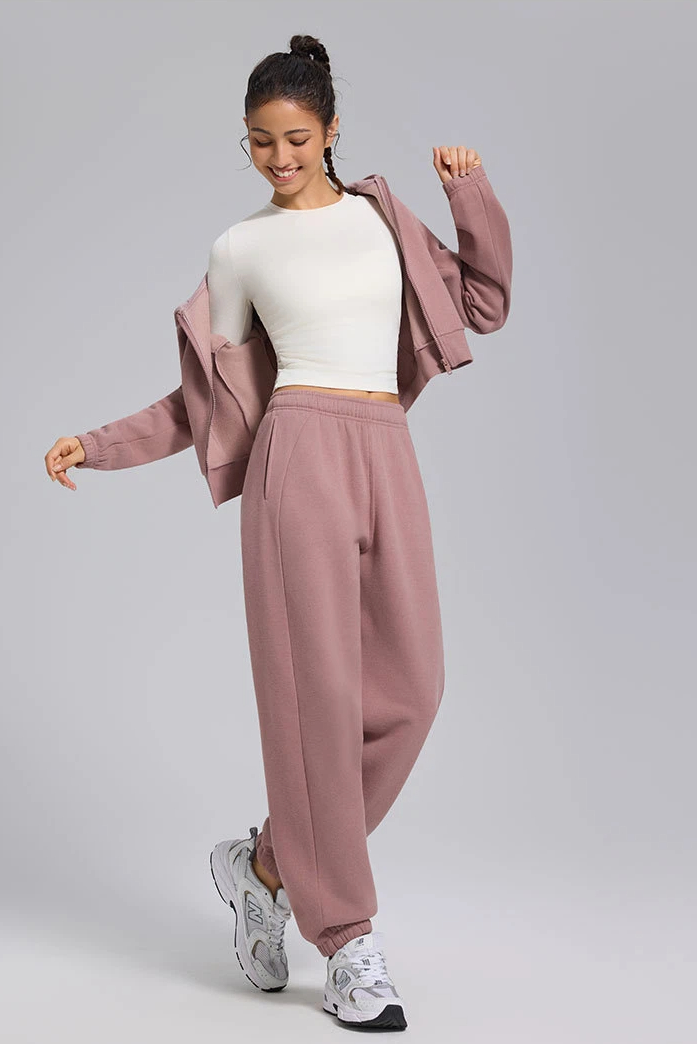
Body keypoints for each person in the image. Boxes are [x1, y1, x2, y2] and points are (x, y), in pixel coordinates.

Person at [44, 33, 512, 1032]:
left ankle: (263, 866)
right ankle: (347, 944)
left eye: (296, 138)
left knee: (413, 693)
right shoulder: (240, 249)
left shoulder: (384, 218)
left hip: (385, 450)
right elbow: (201, 401)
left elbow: (484, 302)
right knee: (318, 708)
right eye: (260, 142)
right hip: (296, 456)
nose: (279, 158)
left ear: (332, 130)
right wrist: (99, 443)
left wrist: (468, 194)